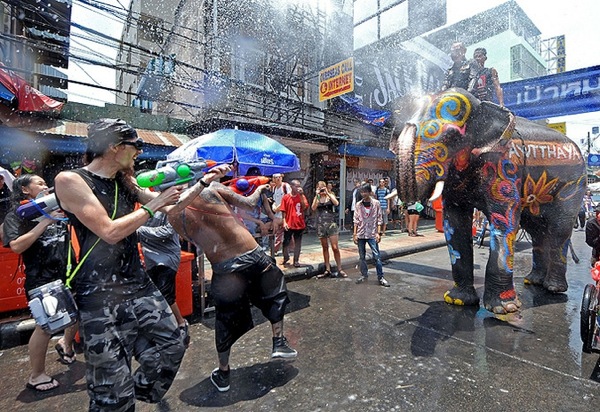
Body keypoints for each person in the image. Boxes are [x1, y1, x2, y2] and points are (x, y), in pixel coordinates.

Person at [54, 118, 230, 411]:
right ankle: (115, 398)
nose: (139, 152)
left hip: (138, 284)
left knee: (173, 345)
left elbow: (171, 206)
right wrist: (154, 205)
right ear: (113, 147)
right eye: (135, 146)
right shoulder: (71, 180)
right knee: (113, 393)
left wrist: (202, 181)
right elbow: (109, 231)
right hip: (99, 295)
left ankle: (132, 393)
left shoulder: (126, 181)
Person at [167, 175, 297, 393]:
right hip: (252, 255)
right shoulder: (210, 189)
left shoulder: (173, 216)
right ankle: (278, 342)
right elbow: (248, 203)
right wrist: (260, 190)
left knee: (226, 318)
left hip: (224, 268)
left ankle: (224, 372)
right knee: (274, 291)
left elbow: (197, 244)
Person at [3, 174, 78, 392]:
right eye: (39, 183)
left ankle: (66, 345)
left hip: (68, 273)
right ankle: (36, 375)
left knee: (75, 312)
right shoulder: (17, 215)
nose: (45, 185)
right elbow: (16, 246)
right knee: (45, 327)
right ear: (25, 189)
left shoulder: (59, 208)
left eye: (46, 183)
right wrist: (45, 222)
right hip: (42, 278)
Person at [137, 211, 190, 347]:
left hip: (167, 258)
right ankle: (163, 328)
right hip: (150, 258)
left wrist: (138, 229)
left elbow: (166, 232)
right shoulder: (141, 208)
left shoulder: (170, 209)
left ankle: (180, 323)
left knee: (165, 295)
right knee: (155, 295)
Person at [353, 183, 390, 287]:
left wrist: (378, 233)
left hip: (372, 233)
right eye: (362, 192)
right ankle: (364, 275)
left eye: (365, 191)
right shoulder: (358, 205)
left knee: (377, 256)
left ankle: (380, 277)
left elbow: (379, 219)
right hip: (361, 233)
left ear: (370, 192)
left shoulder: (376, 203)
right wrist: (355, 234)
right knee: (362, 256)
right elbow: (355, 220)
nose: (363, 194)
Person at [312, 180, 346, 278]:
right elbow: (313, 208)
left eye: (323, 187)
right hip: (321, 224)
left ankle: (340, 268)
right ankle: (327, 269)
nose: (321, 189)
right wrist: (317, 195)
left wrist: (327, 193)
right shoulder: (317, 197)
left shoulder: (330, 195)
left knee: (335, 247)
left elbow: (336, 203)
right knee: (325, 247)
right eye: (319, 187)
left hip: (331, 223)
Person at [277, 179, 308, 267]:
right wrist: (284, 222)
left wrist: (301, 195)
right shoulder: (286, 197)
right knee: (286, 242)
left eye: (299, 186)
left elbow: (304, 207)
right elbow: (283, 211)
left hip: (299, 223)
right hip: (289, 223)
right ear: (291, 186)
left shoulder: (301, 196)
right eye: (296, 186)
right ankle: (286, 257)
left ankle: (296, 260)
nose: (298, 188)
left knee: (298, 243)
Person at [271, 173, 292, 254]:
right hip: (278, 213)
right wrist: (274, 207)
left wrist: (278, 207)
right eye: (276, 177)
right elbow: (274, 200)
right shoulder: (275, 188)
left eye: (279, 177)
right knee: (283, 231)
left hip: (285, 213)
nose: (278, 179)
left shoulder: (285, 186)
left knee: (280, 231)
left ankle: (275, 249)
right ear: (273, 179)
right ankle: (290, 247)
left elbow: (287, 198)